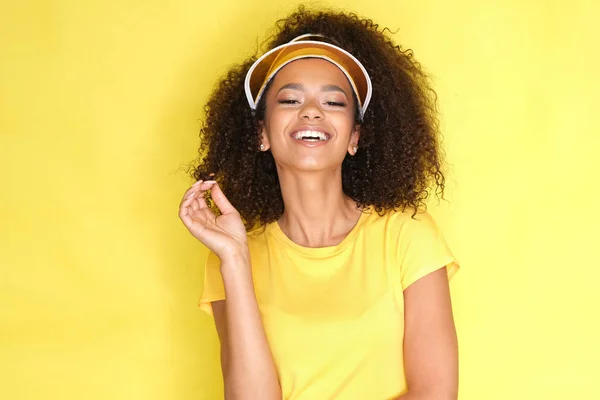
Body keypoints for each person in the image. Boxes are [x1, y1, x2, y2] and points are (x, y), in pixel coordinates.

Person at [179, 6, 459, 400]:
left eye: (334, 102)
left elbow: (435, 393)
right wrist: (235, 258)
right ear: (260, 133)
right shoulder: (229, 255)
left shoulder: (407, 235)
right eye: (290, 100)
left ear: (354, 138)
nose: (311, 111)